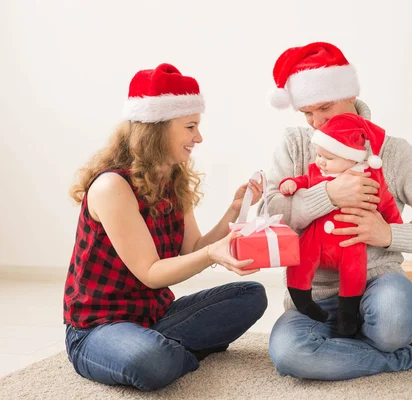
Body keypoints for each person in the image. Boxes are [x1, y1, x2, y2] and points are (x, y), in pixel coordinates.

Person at [264, 42, 412, 381]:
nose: (316, 122)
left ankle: (376, 343)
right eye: (307, 113)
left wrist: (389, 234)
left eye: (324, 107)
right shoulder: (295, 144)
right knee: (290, 355)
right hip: (313, 297)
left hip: (379, 287)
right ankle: (409, 357)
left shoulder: (394, 153)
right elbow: (270, 213)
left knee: (393, 321)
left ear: (349, 93)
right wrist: (328, 194)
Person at [63, 63, 268, 391]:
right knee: (150, 361)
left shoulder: (173, 177)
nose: (198, 138)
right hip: (97, 327)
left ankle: (166, 346)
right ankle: (171, 351)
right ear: (156, 128)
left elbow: (193, 251)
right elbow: (152, 272)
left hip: (155, 317)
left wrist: (235, 210)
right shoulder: (111, 186)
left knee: (252, 296)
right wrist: (213, 254)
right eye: (190, 127)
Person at [279, 113, 403, 337]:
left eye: (329, 157)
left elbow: (387, 203)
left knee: (354, 273)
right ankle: (303, 299)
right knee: (300, 261)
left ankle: (348, 318)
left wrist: (392, 230)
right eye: (319, 155)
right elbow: (304, 182)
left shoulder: (369, 178)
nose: (321, 161)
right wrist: (291, 183)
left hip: (350, 243)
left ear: (352, 158)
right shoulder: (317, 172)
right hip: (316, 240)